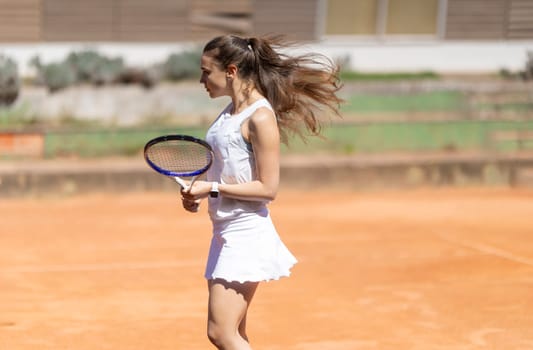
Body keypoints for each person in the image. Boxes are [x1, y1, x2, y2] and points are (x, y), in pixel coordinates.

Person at [180, 34, 342, 350]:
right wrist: (197, 192)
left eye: (205, 71)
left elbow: (268, 188)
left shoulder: (260, 116)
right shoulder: (228, 113)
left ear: (230, 71)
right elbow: (220, 162)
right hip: (223, 231)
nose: (201, 79)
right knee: (236, 334)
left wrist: (211, 187)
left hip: (246, 233)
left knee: (221, 332)